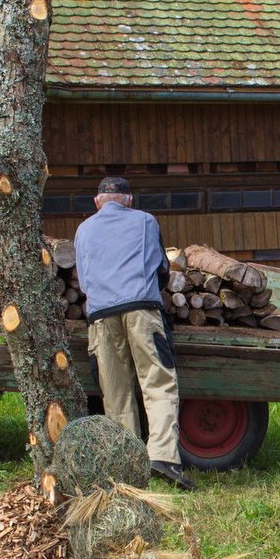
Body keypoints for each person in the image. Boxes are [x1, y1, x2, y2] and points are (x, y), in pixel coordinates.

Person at [74, 176, 194, 491]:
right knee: (158, 382)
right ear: (129, 199)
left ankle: (126, 465)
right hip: (142, 309)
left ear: (97, 202)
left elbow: (84, 284)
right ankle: (162, 457)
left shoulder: (83, 230)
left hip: (100, 317)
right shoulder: (145, 221)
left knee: (116, 392)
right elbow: (161, 270)